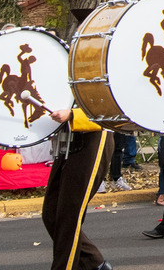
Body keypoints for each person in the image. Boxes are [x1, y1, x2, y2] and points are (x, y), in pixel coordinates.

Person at [44, 106, 113, 269]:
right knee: (51, 214)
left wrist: (74, 115)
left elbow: (111, 107)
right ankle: (94, 263)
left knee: (68, 218)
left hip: (93, 137)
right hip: (68, 139)